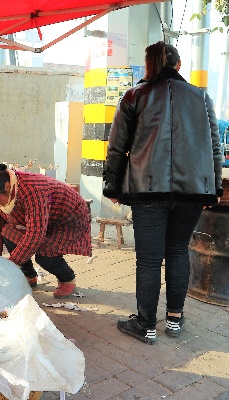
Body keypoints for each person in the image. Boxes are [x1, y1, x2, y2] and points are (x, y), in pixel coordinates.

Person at [103, 41, 222, 344]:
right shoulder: (202, 97)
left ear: (148, 65)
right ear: (178, 65)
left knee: (149, 259)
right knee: (179, 251)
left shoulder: (134, 96)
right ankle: (174, 319)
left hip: (147, 188)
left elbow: (117, 147)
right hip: (192, 191)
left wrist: (112, 186)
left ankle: (146, 325)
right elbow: (214, 148)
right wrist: (214, 189)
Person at [0, 164, 92, 297]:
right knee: (7, 233)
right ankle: (29, 275)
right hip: (44, 217)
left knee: (44, 255)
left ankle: (67, 279)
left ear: (7, 187)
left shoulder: (33, 191)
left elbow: (35, 235)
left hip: (68, 218)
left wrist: (9, 266)